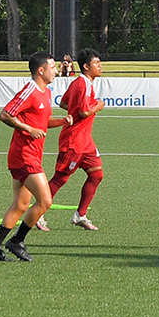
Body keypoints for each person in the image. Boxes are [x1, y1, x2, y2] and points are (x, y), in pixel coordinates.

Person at [0, 52, 70, 261]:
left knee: (21, 205)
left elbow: (42, 120)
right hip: (23, 156)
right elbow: (5, 114)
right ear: (41, 70)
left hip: (32, 155)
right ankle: (17, 241)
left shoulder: (45, 93)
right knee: (45, 200)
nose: (56, 71)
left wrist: (61, 122)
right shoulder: (29, 90)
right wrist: (28, 129)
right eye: (52, 67)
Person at [47, 48, 106, 231]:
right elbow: (84, 112)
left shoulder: (79, 83)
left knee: (96, 175)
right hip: (73, 141)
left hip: (85, 141)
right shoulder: (82, 84)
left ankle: (80, 215)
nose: (100, 66)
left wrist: (78, 112)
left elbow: (63, 103)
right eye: (96, 63)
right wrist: (98, 106)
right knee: (60, 179)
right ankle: (38, 213)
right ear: (86, 66)